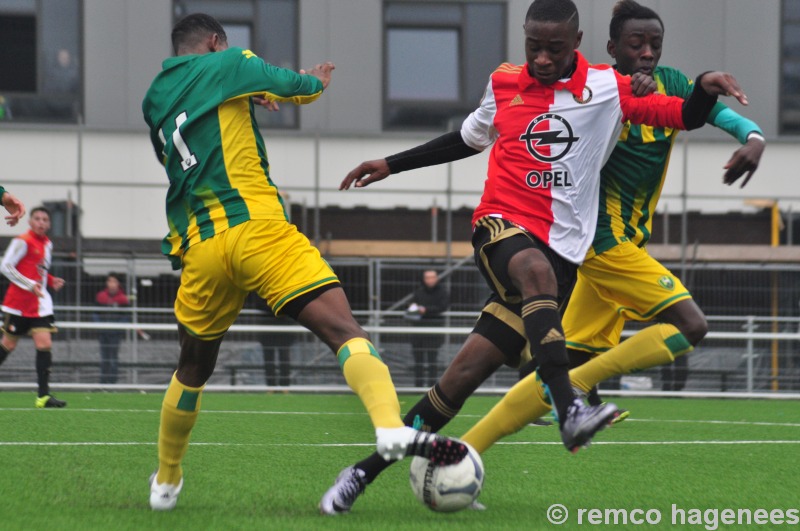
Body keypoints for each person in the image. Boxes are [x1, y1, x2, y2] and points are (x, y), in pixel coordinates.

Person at [320, 0, 749, 514]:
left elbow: (684, 116)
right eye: (533, 47)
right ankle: (570, 408)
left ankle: (360, 474)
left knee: (458, 381)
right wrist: (391, 163)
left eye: (554, 48)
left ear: (577, 42)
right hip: (500, 226)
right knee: (535, 270)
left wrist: (703, 85)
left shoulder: (609, 89)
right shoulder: (504, 81)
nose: (542, 59)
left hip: (560, 251)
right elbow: (467, 138)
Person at [142, 13, 467, 512]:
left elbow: (200, 129)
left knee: (192, 366)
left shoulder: (155, 99)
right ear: (214, 42)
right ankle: (389, 429)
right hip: (257, 228)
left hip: (201, 249)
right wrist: (316, 80)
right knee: (344, 331)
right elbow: (295, 85)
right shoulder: (230, 62)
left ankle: (165, 483)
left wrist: (245, 98)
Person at [564, 0, 764, 413]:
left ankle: (567, 399)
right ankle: (573, 389)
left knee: (573, 347)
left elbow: (719, 115)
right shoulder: (595, 89)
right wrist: (621, 102)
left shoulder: (671, 83)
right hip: (602, 237)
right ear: (612, 48)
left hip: (629, 240)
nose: (648, 53)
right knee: (690, 324)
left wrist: (755, 139)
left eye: (655, 43)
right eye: (636, 43)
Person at [0, 206, 66, 408]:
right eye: (37, 218)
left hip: (39, 305)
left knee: (44, 344)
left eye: (45, 219)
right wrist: (30, 285)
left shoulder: (48, 244)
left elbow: (40, 271)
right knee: (8, 345)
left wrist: (51, 280)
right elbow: (5, 267)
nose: (41, 222)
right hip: (17, 305)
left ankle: (43, 396)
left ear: (49, 223)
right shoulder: (22, 241)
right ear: (30, 222)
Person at [407, 269, 449, 387]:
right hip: (418, 331)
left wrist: (425, 310)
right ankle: (418, 386)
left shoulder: (442, 292)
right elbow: (412, 306)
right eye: (427, 277)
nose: (430, 280)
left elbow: (443, 307)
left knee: (432, 360)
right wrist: (413, 308)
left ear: (437, 278)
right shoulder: (418, 292)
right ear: (424, 279)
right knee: (418, 360)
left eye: (432, 277)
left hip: (434, 331)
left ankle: (432, 386)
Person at [94, 273, 130, 384]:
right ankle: (103, 381)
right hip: (103, 333)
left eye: (114, 281)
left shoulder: (123, 299)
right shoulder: (101, 296)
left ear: (118, 283)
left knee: (113, 357)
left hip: (115, 333)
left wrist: (117, 328)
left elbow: (126, 316)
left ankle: (113, 382)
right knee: (104, 357)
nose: (112, 284)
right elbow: (95, 313)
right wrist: (100, 326)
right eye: (110, 281)